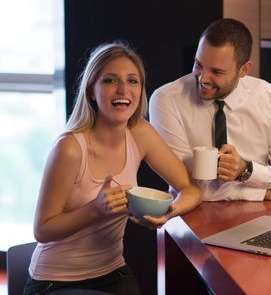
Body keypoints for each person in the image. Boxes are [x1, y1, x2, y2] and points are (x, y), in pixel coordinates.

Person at [24, 42, 202, 295]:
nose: (123, 90)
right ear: (92, 92)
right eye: (110, 80)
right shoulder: (70, 148)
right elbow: (42, 229)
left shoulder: (141, 134)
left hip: (112, 272)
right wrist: (95, 209)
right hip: (55, 281)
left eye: (133, 81)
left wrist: (169, 212)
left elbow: (190, 189)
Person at [149, 18, 271, 214]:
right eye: (198, 64)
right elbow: (193, 189)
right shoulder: (166, 100)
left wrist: (246, 169)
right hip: (190, 217)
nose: (203, 78)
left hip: (258, 217)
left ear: (244, 70)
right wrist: (268, 193)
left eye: (216, 72)